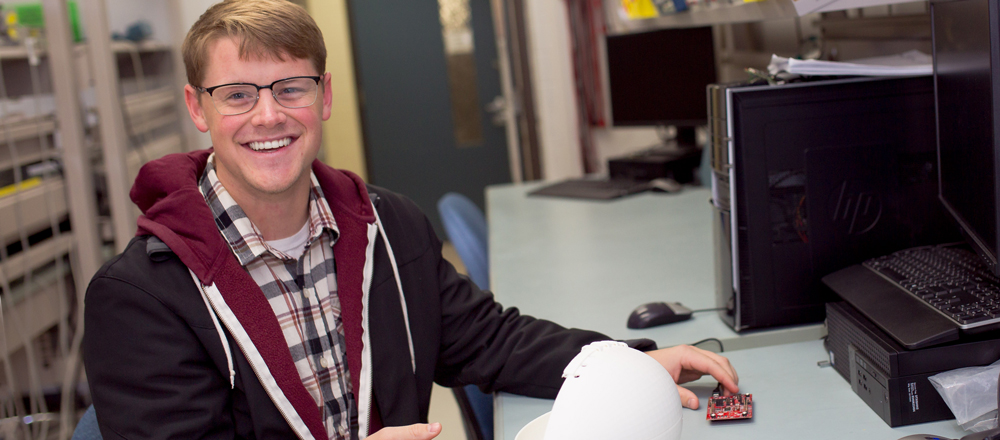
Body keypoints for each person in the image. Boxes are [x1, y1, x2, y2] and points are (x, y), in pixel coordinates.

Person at [82, 1, 739, 439]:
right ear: (198, 109)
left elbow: (487, 339)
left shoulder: (384, 225)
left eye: (291, 88)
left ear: (325, 95)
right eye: (238, 96)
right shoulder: (141, 297)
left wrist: (627, 360)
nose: (268, 116)